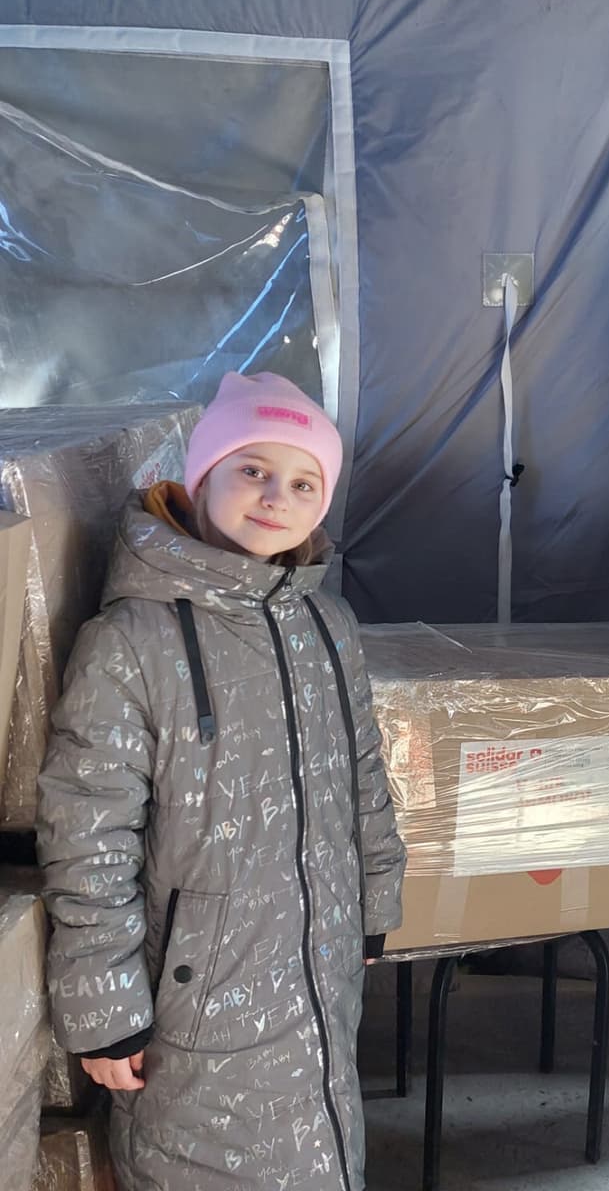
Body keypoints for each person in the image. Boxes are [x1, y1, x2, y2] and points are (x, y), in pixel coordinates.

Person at [37, 372, 407, 1191]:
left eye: (303, 481)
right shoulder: (132, 640)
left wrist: (375, 904)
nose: (277, 496)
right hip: (196, 1007)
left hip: (317, 968)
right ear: (200, 475)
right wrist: (104, 1012)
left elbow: (362, 776)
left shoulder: (326, 622)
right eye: (252, 468)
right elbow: (87, 832)